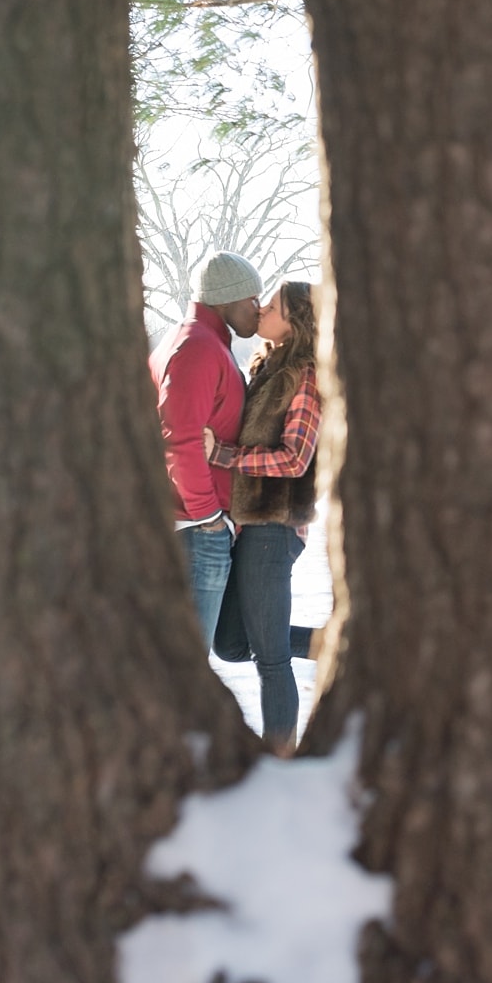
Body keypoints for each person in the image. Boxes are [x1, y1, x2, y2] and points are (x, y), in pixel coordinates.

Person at [204, 279, 321, 756]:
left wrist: (227, 457)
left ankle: (281, 759)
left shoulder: (305, 376)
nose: (261, 311)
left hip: (274, 529)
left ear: (293, 322)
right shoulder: (265, 368)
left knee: (271, 661)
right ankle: (332, 642)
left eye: (270, 306)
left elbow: (295, 459)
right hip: (250, 528)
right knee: (229, 644)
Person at [149, 251, 260, 647]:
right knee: (186, 666)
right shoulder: (197, 347)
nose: (258, 311)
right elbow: (178, 439)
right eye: (253, 301)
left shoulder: (204, 342)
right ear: (228, 298)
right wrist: (209, 515)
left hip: (197, 526)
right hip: (196, 530)